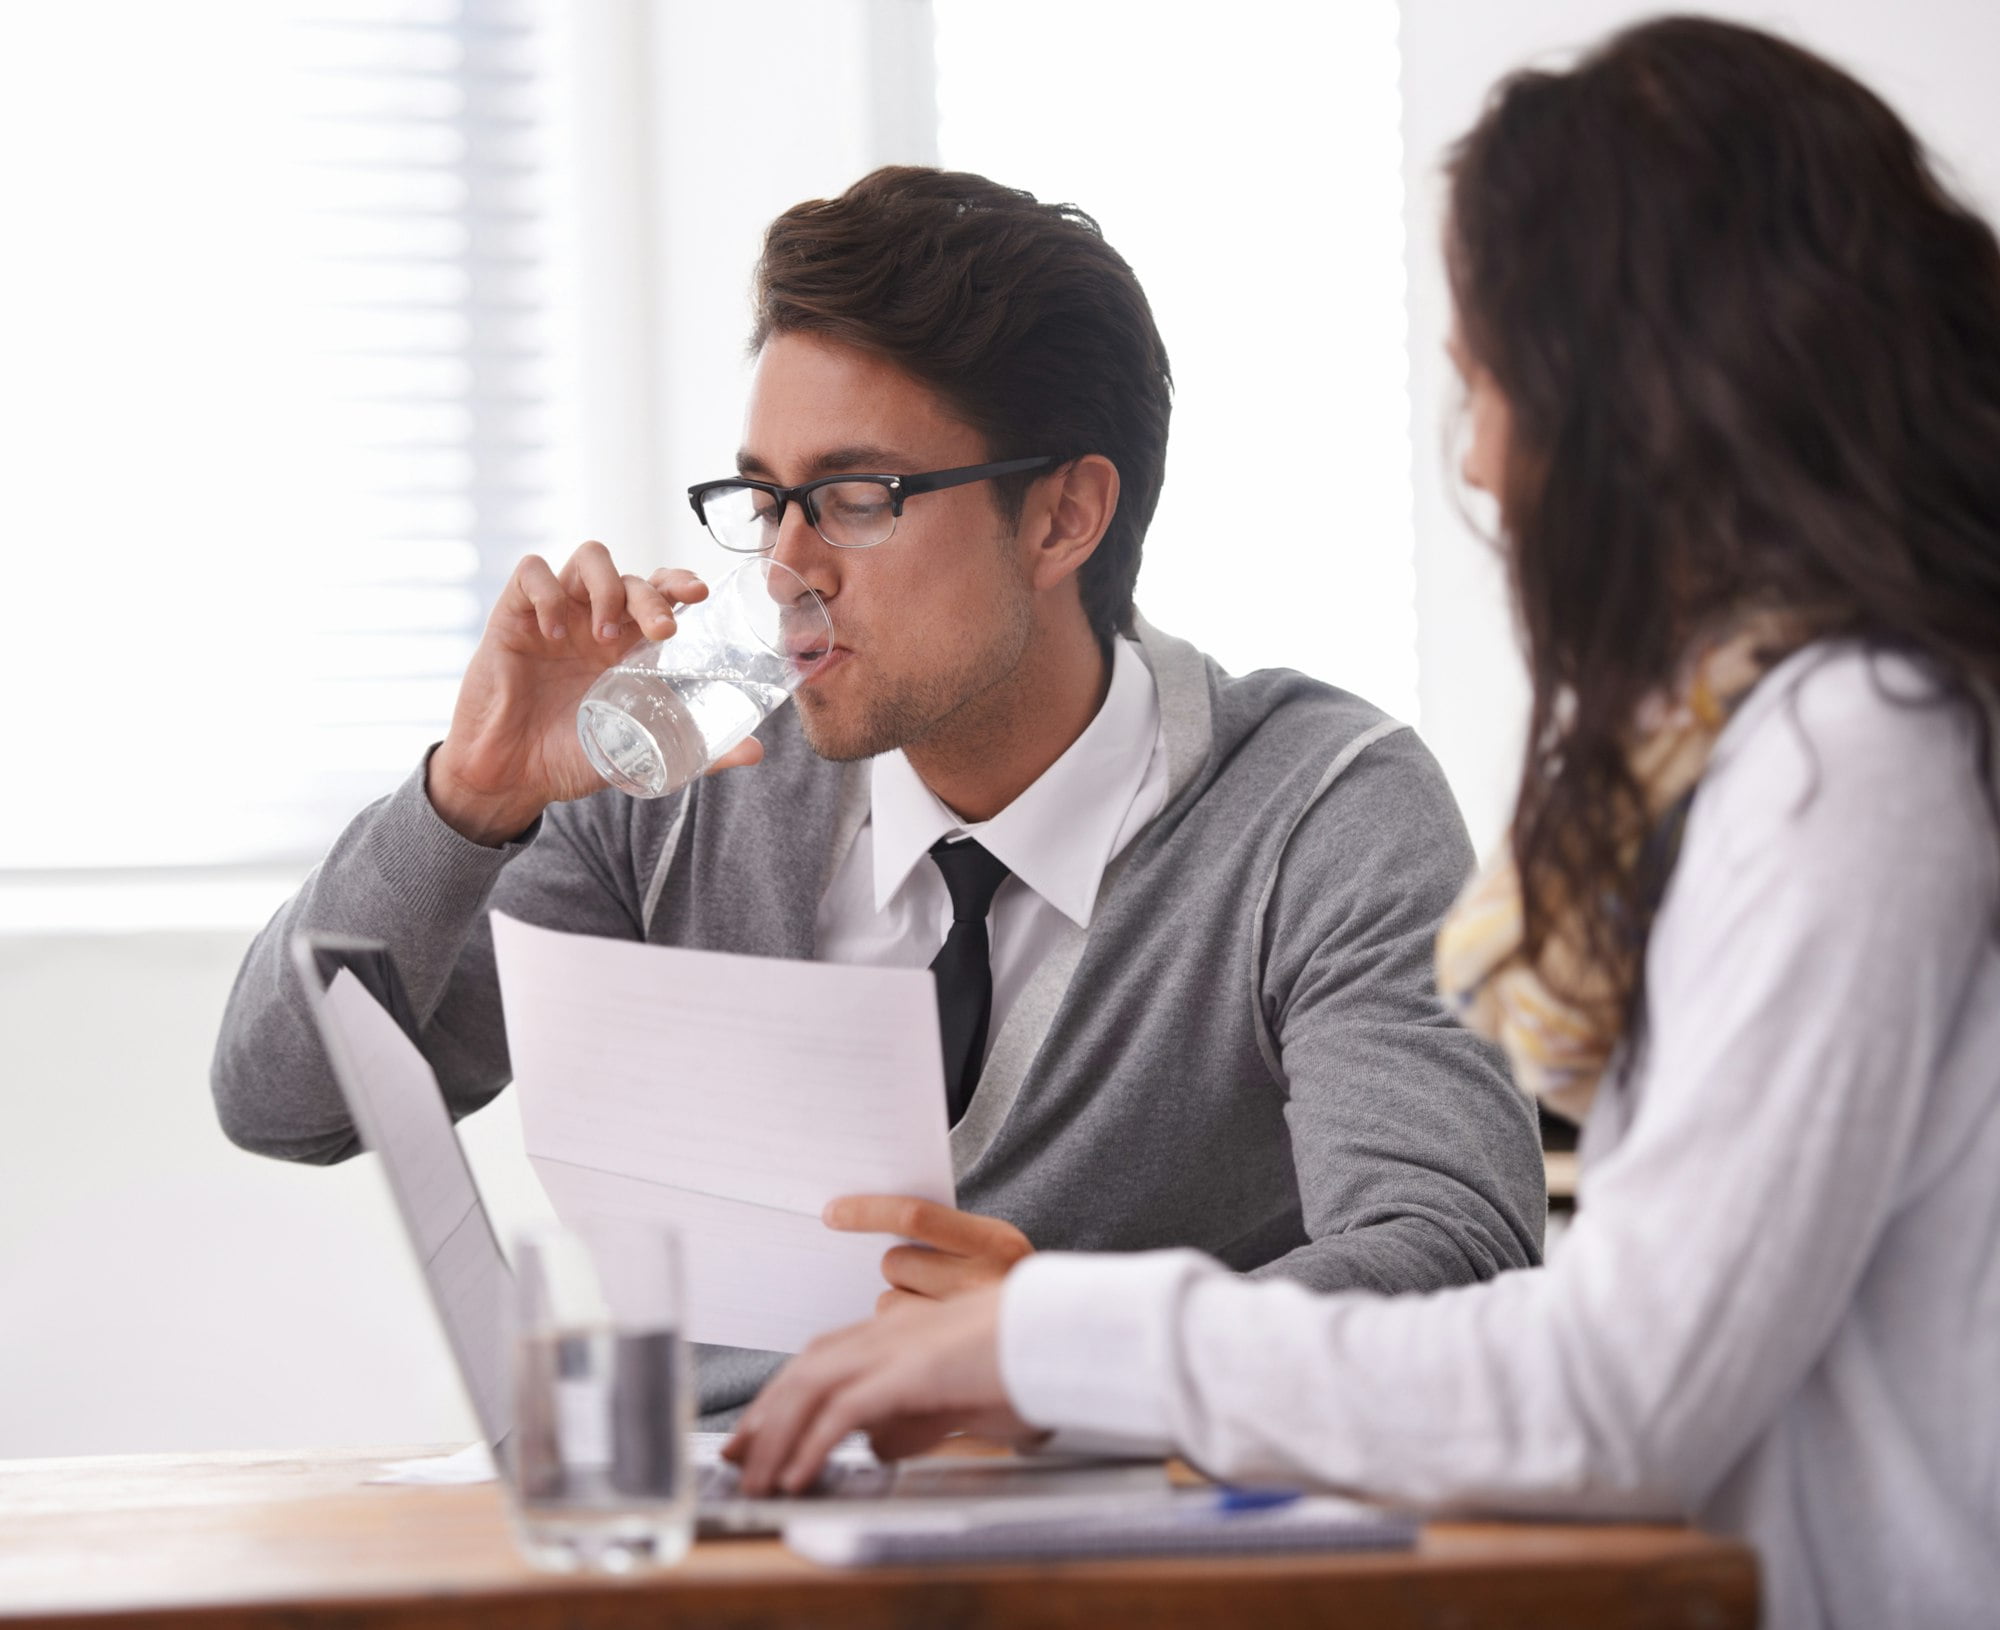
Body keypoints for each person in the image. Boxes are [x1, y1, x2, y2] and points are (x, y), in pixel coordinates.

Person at [721, 21, 2000, 1628]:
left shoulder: (1855, 749)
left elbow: (1614, 1382)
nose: (1477, 456)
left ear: (1649, 394)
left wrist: (1043, 1337)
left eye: (1490, 385)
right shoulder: (1809, 739)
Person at [211, 167, 1544, 1425]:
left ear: (1065, 517)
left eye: (854, 498)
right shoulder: (679, 780)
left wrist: (1065, 1350)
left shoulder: (1319, 810)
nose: (788, 567)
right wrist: (474, 795)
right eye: (764, 497)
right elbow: (285, 1101)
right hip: (718, 1554)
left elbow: (1455, 1264)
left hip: (1122, 1566)